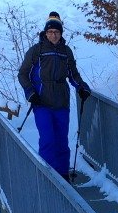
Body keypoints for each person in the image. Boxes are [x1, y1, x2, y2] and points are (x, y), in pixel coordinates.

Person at [18, 11, 91, 180]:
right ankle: (48, 178)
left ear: (61, 33)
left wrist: (82, 87)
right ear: (45, 33)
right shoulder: (36, 51)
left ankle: (63, 176)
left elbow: (73, 74)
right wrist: (30, 93)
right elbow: (23, 74)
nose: (53, 35)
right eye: (50, 32)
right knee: (48, 140)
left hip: (62, 102)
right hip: (41, 102)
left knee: (62, 141)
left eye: (57, 32)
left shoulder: (66, 51)